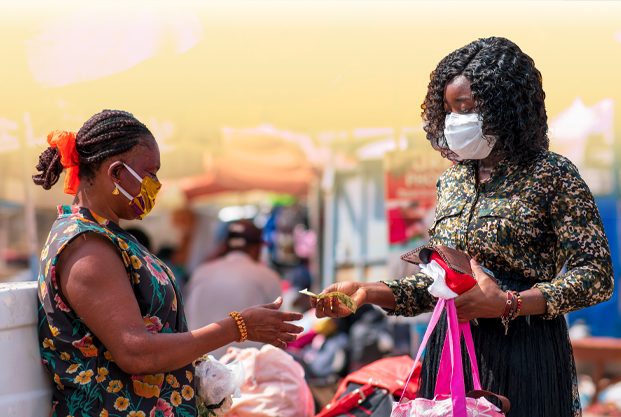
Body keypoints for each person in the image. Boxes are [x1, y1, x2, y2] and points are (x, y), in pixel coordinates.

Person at [312, 37, 613, 417]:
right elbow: (436, 284)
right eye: (450, 110)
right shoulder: (451, 181)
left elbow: (596, 276)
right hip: (451, 353)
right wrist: (366, 292)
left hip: (524, 353)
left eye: (467, 108)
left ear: (505, 107)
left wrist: (510, 303)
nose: (457, 120)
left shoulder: (551, 174)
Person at [34, 110, 303, 417]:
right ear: (117, 172)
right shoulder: (85, 246)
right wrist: (238, 327)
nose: (156, 185)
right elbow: (135, 352)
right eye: (150, 173)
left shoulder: (112, 237)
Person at [184, 219, 282, 358]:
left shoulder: (200, 272)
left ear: (224, 246)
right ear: (256, 249)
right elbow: (278, 327)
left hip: (198, 361)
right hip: (246, 367)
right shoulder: (268, 276)